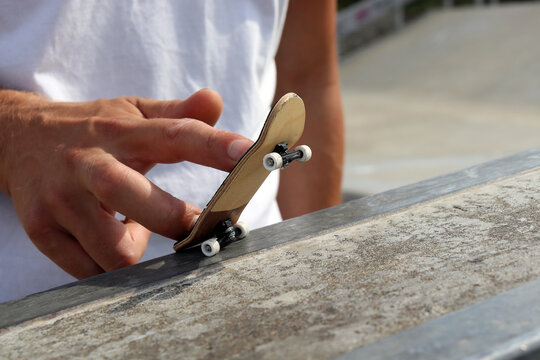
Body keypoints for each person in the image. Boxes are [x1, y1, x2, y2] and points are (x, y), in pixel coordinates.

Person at [0, 0, 343, 302]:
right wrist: (14, 132)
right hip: (32, 312)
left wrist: (316, 268)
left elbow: (308, 76)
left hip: (269, 274)